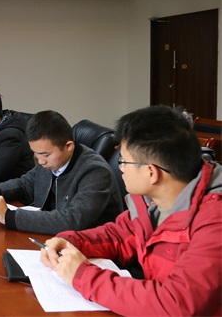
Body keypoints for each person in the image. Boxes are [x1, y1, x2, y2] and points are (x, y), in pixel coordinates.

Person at [39, 105, 221, 316]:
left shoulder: (214, 222)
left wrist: (83, 276)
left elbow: (176, 303)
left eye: (123, 161)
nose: (121, 168)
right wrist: (71, 241)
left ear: (151, 173)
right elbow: (119, 236)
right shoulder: (153, 201)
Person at [0, 110, 123, 234]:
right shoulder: (52, 161)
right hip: (52, 238)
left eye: (45, 154)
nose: (40, 161)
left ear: (69, 146)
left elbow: (73, 220)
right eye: (36, 154)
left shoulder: (95, 171)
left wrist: (9, 217)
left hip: (87, 248)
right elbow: (25, 184)